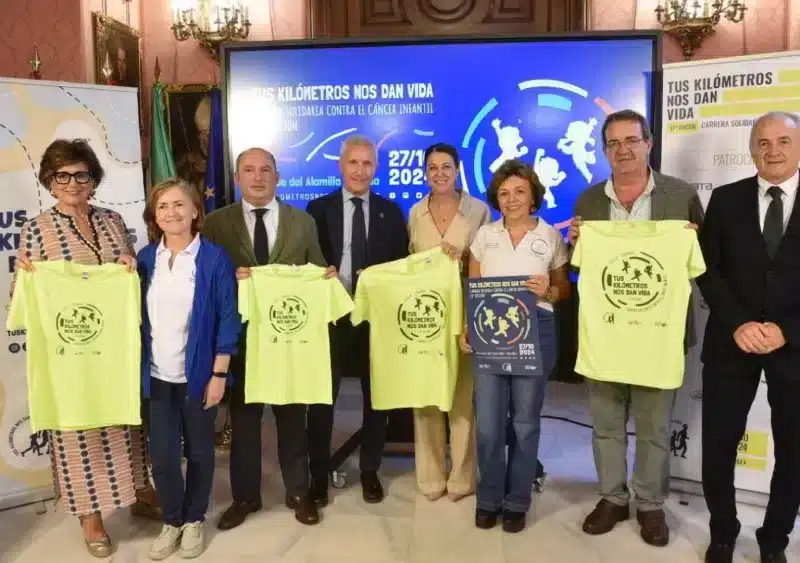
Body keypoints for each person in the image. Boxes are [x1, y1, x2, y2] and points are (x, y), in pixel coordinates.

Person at [11, 139, 158, 558]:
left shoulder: (113, 221)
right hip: (70, 355)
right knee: (79, 431)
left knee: (125, 423)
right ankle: (90, 516)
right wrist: (25, 277)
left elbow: (131, 276)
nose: (73, 183)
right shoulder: (38, 228)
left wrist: (131, 267)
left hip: (113, 350)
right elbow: (23, 300)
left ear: (93, 179)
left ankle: (139, 495)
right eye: (63, 175)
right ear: (49, 181)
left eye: (82, 174)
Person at [567, 110, 703, 547]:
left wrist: (692, 237)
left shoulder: (680, 196)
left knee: (653, 428)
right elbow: (582, 271)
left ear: (649, 143)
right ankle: (611, 497)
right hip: (606, 336)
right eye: (613, 143)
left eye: (631, 140)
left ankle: (649, 504)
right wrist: (576, 241)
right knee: (605, 425)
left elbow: (702, 260)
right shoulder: (588, 202)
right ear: (604, 150)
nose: (623, 150)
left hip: (657, 335)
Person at [206, 147, 332, 529]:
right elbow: (207, 282)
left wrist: (324, 277)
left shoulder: (302, 221)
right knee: (243, 424)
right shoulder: (215, 224)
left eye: (266, 170)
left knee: (293, 420)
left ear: (278, 177)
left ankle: (299, 491)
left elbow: (317, 266)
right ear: (238, 178)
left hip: (289, 342)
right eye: (249, 170)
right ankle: (245, 498)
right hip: (241, 345)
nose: (258, 177)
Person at [697, 111, 800, 563]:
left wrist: (786, 330)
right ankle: (723, 532)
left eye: (782, 141)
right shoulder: (725, 199)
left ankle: (774, 540)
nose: (772, 150)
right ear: (751, 148)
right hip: (731, 342)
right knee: (718, 442)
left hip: (793, 348)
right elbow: (708, 271)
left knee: (794, 451)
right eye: (762, 142)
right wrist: (739, 323)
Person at [462, 159, 571, 533]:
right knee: (490, 424)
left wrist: (551, 291)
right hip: (491, 332)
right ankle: (489, 498)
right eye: (504, 193)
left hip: (535, 330)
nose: (511, 200)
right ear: (497, 197)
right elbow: (474, 292)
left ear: (532, 195)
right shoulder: (484, 237)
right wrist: (467, 328)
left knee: (525, 423)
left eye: (519, 192)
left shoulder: (550, 237)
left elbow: (564, 289)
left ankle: (517, 501)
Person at [137, 179, 241, 560]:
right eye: (163, 206)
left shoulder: (214, 259)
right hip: (157, 378)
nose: (172, 213)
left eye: (180, 205)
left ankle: (195, 519)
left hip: (199, 377)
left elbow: (228, 319)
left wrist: (218, 375)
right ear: (155, 214)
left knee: (200, 453)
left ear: (196, 211)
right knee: (162, 457)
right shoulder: (144, 259)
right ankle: (173, 519)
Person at [306, 135, 409, 506]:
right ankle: (317, 475)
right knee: (322, 400)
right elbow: (306, 263)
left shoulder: (391, 212)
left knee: (376, 399)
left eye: (368, 164)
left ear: (375, 169)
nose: (360, 171)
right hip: (331, 319)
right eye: (354, 163)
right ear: (341, 166)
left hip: (374, 320)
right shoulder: (317, 209)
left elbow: (400, 267)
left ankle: (369, 471)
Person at [407, 142, 491, 502]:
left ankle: (461, 477)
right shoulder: (415, 212)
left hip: (466, 310)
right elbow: (410, 262)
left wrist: (466, 256)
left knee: (463, 396)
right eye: (432, 168)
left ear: (458, 171)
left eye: (446, 167)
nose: (439, 173)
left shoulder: (479, 210)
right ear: (425, 173)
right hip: (425, 314)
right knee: (425, 393)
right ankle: (429, 477)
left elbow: (490, 257)